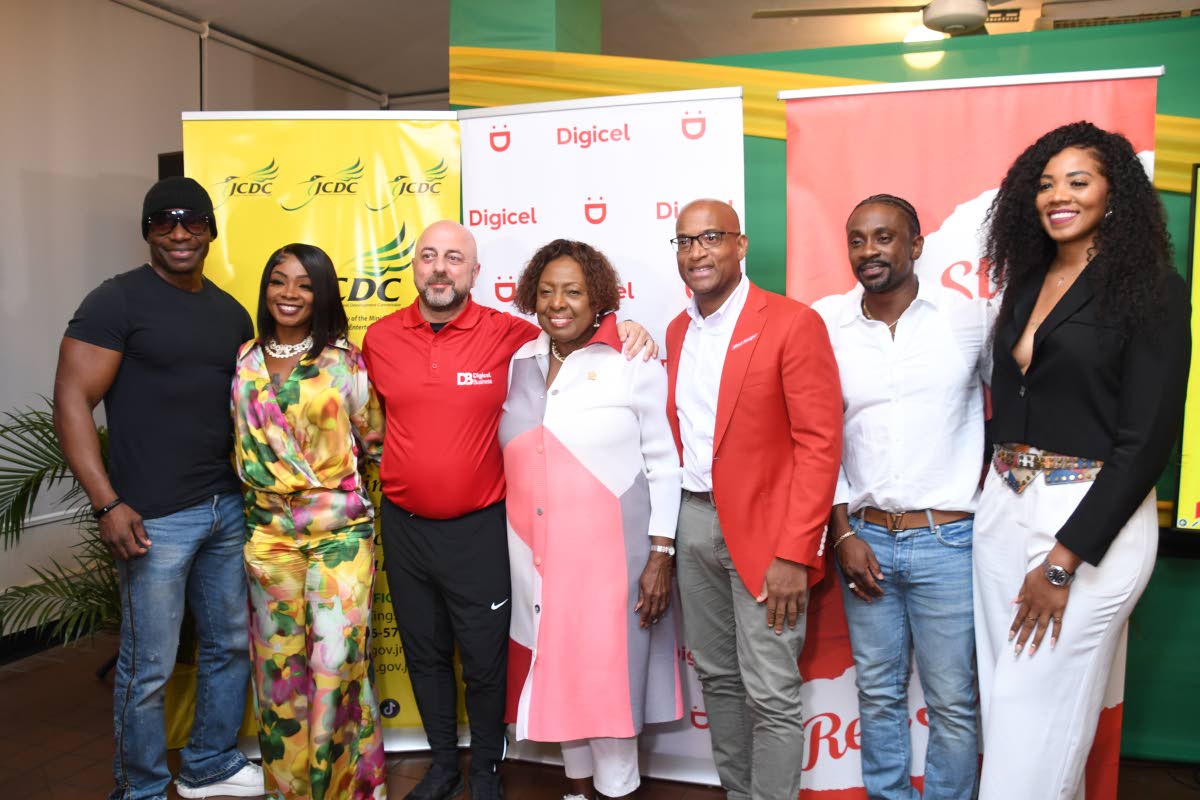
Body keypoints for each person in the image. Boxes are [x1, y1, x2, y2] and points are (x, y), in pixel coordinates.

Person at [361, 221, 655, 800]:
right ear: (414, 267)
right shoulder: (380, 338)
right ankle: (444, 767)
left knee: (485, 659)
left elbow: (576, 329)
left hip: (479, 527)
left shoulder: (511, 337)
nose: (440, 268)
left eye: (454, 258)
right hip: (403, 525)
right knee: (423, 654)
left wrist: (628, 329)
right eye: (428, 257)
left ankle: (488, 772)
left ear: (475, 273)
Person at [975, 121, 1190, 799]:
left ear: (1114, 192)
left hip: (1088, 522)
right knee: (1012, 716)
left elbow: (1147, 442)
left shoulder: (1152, 287)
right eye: (1044, 184)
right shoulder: (1026, 280)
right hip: (1004, 508)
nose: (1058, 196)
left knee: (1029, 721)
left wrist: (1065, 560)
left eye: (1078, 180)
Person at [53, 177, 263, 800]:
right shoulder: (115, 302)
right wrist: (107, 503)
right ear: (147, 230)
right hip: (153, 519)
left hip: (227, 507)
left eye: (192, 222)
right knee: (148, 666)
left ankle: (209, 763)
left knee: (229, 646)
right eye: (164, 222)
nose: (179, 233)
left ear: (209, 230)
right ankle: (139, 788)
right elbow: (73, 401)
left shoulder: (231, 312)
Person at [664, 199, 843, 800]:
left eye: (711, 238)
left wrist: (797, 552)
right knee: (717, 680)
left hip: (770, 536)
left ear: (740, 246)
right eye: (686, 241)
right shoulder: (676, 329)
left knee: (770, 691)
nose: (697, 252)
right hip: (693, 524)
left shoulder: (792, 323)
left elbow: (820, 445)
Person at [815, 195, 988, 800]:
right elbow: (817, 437)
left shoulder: (968, 321)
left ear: (916, 245)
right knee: (879, 693)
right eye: (858, 240)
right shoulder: (825, 326)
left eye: (884, 238)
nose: (870, 252)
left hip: (952, 543)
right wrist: (842, 532)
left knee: (954, 701)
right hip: (864, 541)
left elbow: (1018, 410)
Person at [499, 240, 683, 800]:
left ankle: (617, 790)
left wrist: (661, 553)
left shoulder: (631, 360)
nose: (560, 303)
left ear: (597, 298)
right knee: (558, 680)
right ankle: (578, 791)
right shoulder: (520, 363)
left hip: (611, 564)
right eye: (549, 290)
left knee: (607, 690)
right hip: (537, 562)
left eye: (574, 291)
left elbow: (664, 464)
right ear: (532, 295)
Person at [232, 244, 387, 800]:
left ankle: (345, 790)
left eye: (304, 284)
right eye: (279, 281)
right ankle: (290, 792)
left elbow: (375, 443)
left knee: (335, 666)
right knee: (279, 677)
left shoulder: (345, 361)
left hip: (339, 535)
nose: (290, 294)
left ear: (321, 295)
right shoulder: (245, 358)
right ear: (266, 289)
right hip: (268, 538)